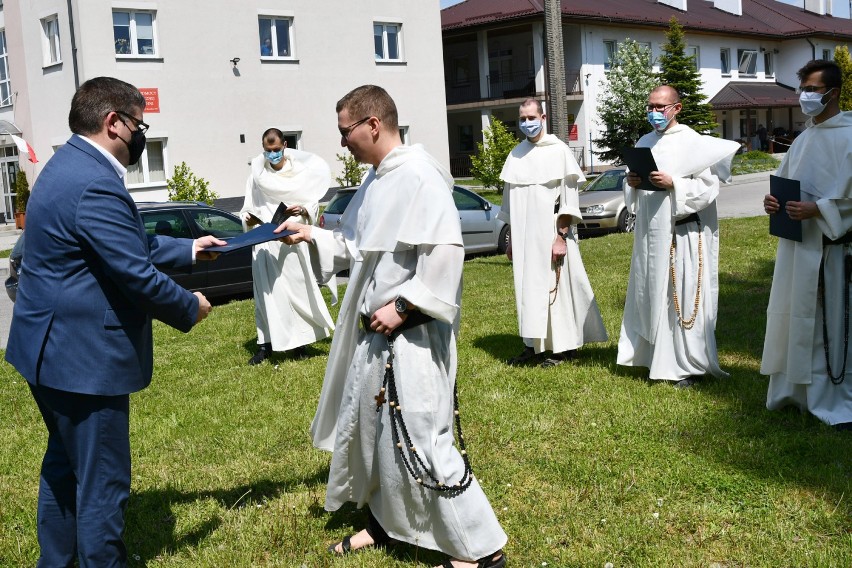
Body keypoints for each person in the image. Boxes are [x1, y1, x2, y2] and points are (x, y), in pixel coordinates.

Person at [279, 85, 507, 568]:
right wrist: (310, 233)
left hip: (412, 336)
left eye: (346, 132)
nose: (343, 142)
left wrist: (403, 307)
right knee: (377, 431)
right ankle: (387, 521)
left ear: (373, 125)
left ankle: (480, 549)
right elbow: (360, 245)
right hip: (374, 336)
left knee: (422, 433)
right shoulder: (378, 178)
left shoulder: (419, 176)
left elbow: (446, 255)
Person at [4, 76, 223, 566]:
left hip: (47, 352)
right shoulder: (96, 183)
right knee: (102, 481)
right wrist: (191, 306)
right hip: (83, 362)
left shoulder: (65, 166)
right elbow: (135, 275)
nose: (141, 136)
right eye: (139, 126)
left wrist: (189, 246)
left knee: (64, 469)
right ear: (113, 122)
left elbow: (125, 243)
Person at [617, 85, 739, 388]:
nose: (655, 112)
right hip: (650, 234)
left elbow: (708, 189)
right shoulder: (644, 141)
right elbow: (635, 190)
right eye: (650, 107)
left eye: (661, 107)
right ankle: (655, 357)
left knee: (681, 297)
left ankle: (687, 366)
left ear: (677, 108)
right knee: (653, 294)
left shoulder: (694, 143)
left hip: (682, 234)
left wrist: (675, 184)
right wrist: (632, 182)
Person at [761, 60, 852, 430]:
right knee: (794, 319)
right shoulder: (802, 139)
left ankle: (834, 396)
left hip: (835, 250)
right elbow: (783, 185)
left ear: (834, 92)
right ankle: (795, 392)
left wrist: (821, 209)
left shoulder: (850, 135)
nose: (806, 97)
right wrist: (772, 202)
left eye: (814, 89)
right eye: (804, 89)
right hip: (797, 249)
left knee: (831, 321)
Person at [498, 98, 607, 367]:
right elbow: (510, 204)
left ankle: (562, 348)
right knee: (528, 291)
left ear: (543, 118)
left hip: (550, 235)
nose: (527, 123)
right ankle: (532, 346)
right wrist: (512, 240)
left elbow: (568, 200)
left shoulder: (558, 151)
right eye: (522, 119)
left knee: (554, 290)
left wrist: (561, 236)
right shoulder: (516, 154)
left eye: (531, 118)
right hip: (524, 239)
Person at [240, 128, 334, 365]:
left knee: (297, 292)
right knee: (267, 295)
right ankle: (266, 344)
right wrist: (248, 219)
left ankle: (300, 343)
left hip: (291, 243)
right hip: (264, 244)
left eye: (275, 150)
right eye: (267, 151)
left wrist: (302, 210)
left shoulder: (300, 173)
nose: (271, 154)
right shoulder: (256, 176)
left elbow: (311, 204)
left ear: (284, 145)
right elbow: (246, 209)